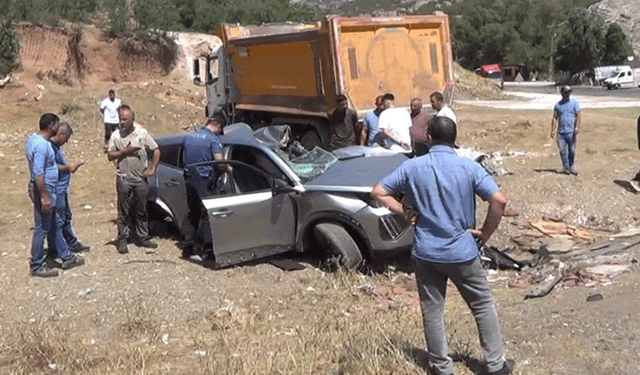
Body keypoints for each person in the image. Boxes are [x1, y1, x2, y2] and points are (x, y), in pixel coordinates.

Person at [371, 116, 513, 375]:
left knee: (432, 310)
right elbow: (499, 201)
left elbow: (378, 191)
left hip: (426, 252)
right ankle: (495, 365)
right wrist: (485, 233)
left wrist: (404, 209)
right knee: (481, 306)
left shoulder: (413, 167)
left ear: (429, 138)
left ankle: (441, 367)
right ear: (455, 140)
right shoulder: (469, 167)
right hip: (462, 251)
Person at [26, 113, 85, 277]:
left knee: (53, 224)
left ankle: (66, 256)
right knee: (42, 228)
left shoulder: (35, 140)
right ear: (51, 126)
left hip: (47, 189)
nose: (58, 128)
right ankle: (37, 265)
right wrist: (44, 195)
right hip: (44, 190)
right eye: (57, 125)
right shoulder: (41, 146)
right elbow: (38, 173)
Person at [106, 105, 161, 254]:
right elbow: (110, 155)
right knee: (123, 210)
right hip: (124, 177)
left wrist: (153, 169)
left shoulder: (142, 134)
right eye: (120, 119)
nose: (121, 122)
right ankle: (123, 238)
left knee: (141, 209)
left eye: (125, 119)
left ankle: (142, 237)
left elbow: (156, 150)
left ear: (132, 120)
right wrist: (125, 151)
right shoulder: (116, 135)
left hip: (140, 178)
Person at [181, 115, 231, 258]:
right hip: (204, 180)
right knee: (206, 215)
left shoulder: (189, 137)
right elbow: (220, 164)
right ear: (219, 126)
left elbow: (184, 160)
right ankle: (201, 249)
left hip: (190, 179)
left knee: (193, 213)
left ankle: (188, 247)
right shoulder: (213, 139)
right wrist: (230, 169)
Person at [49, 123, 90, 254]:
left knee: (66, 217)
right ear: (60, 135)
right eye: (66, 138)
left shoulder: (56, 148)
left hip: (62, 188)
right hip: (55, 190)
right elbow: (50, 167)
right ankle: (58, 249)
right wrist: (68, 167)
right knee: (58, 221)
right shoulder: (49, 147)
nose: (66, 142)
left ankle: (71, 243)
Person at [550, 85, 581, 175]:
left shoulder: (574, 103)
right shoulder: (558, 105)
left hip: (571, 132)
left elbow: (578, 115)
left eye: (569, 93)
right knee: (563, 151)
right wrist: (553, 130)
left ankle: (572, 167)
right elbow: (555, 118)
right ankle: (566, 167)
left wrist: (577, 127)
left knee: (572, 150)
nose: (568, 94)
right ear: (562, 94)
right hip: (561, 133)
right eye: (566, 93)